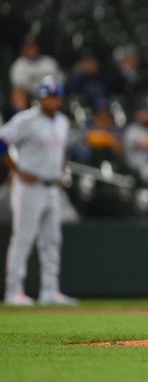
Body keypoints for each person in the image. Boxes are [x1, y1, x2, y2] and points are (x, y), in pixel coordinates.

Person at [0, 76, 77, 306]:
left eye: (55, 96)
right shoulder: (26, 119)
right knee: (23, 238)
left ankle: (49, 291)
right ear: (40, 97)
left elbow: (63, 150)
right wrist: (16, 170)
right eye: (48, 95)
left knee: (52, 241)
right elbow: (2, 140)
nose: (52, 100)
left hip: (52, 187)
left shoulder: (62, 121)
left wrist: (61, 171)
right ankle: (14, 291)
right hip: (28, 187)